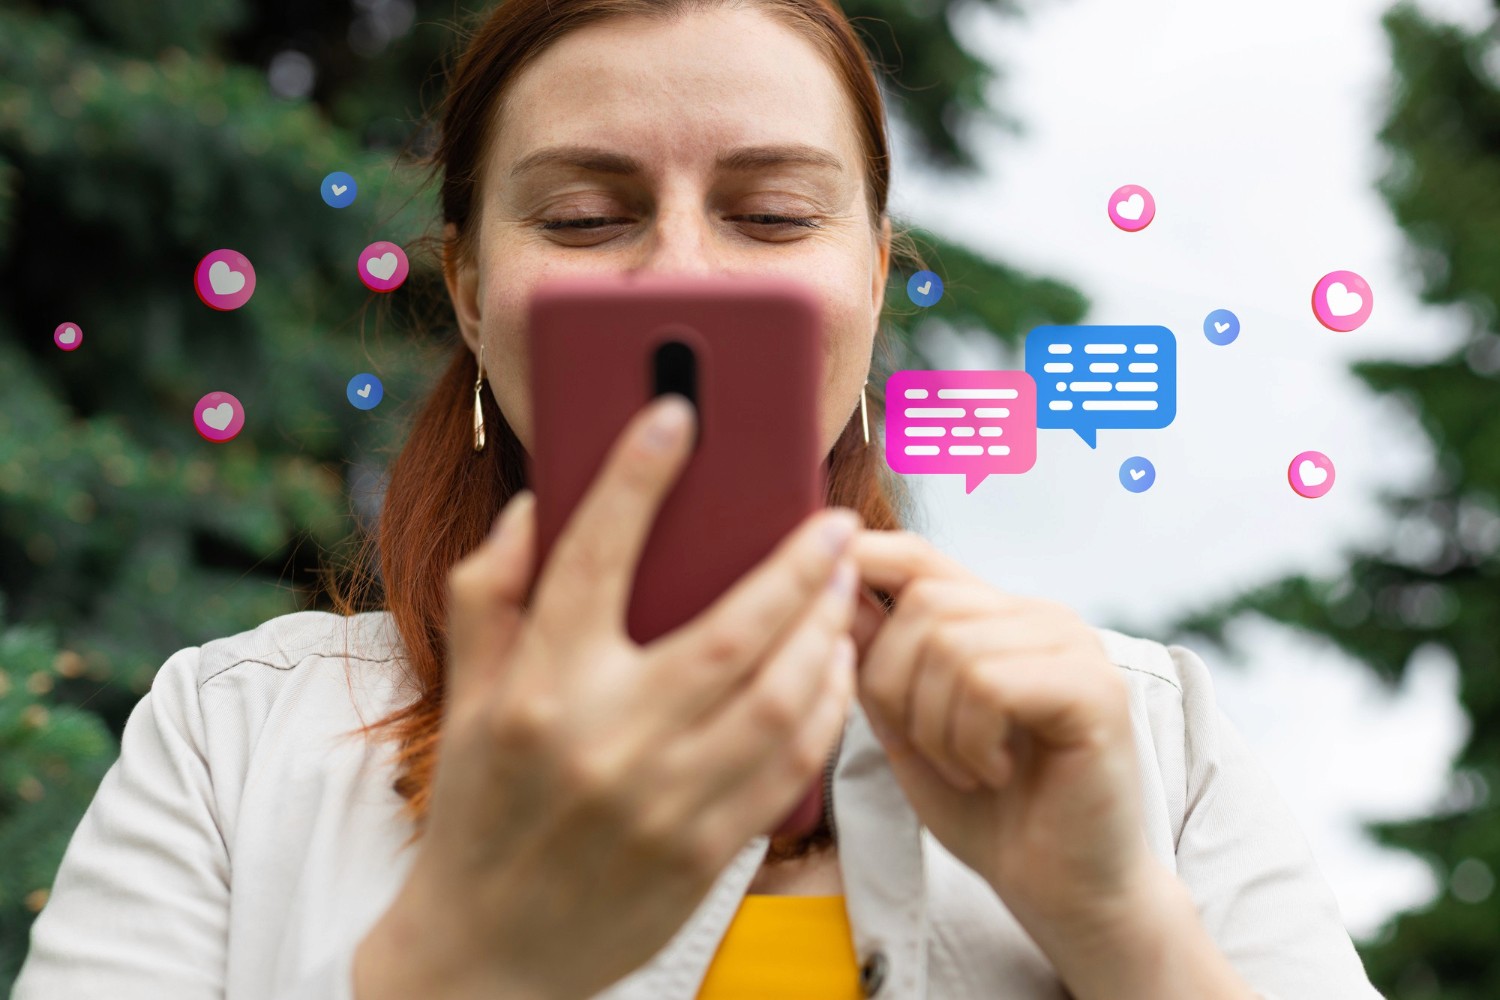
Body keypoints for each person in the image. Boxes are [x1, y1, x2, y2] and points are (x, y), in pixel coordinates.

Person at [12, 0, 1388, 997]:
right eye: (585, 218)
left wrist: (1123, 927)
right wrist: (463, 968)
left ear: (866, 278)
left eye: (776, 216)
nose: (685, 276)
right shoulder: (233, 739)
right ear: (475, 297)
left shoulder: (1146, 741)